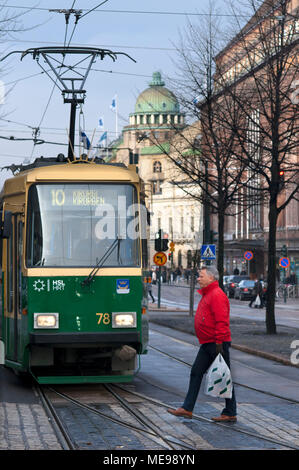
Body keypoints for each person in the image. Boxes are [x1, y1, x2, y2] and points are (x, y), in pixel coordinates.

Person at [167, 265, 237, 422]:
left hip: (217, 343)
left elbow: (222, 320)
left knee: (224, 377)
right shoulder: (209, 293)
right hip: (208, 343)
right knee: (196, 372)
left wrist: (219, 342)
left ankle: (230, 411)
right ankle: (187, 408)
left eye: (201, 276)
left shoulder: (216, 295)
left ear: (211, 278)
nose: (198, 278)